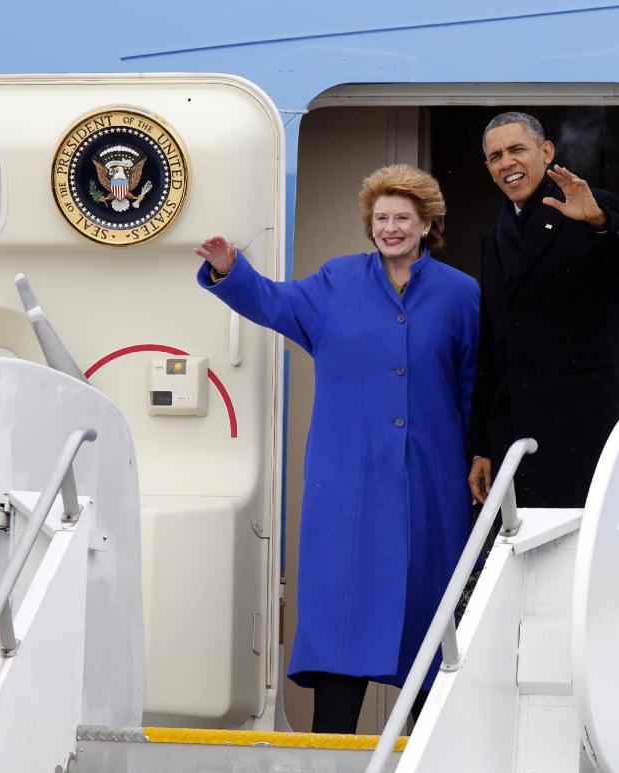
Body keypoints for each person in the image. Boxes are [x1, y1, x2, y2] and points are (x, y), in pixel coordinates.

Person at [195, 165, 480, 733]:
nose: (390, 227)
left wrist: (479, 455)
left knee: (429, 617)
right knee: (341, 611)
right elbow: (273, 303)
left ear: (427, 224)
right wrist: (230, 270)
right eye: (381, 218)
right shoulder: (335, 283)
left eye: (403, 217)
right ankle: (330, 754)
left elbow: (474, 383)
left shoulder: (460, 293)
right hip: (346, 480)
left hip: (430, 479)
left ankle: (428, 750)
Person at [468, 112, 619, 508]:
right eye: (495, 156)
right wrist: (481, 446)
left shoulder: (592, 210)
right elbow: (492, 348)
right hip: (518, 435)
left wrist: (599, 221)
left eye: (516, 149)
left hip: (584, 426)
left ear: (546, 151)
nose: (507, 162)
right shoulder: (493, 240)